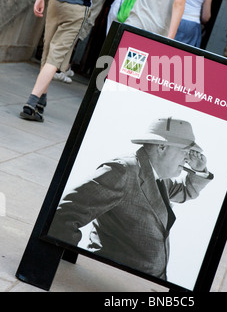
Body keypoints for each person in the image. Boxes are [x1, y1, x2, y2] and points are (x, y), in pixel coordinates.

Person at [48, 117, 213, 280]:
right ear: (162, 147)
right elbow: (64, 215)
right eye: (184, 152)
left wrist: (199, 170)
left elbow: (186, 192)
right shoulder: (123, 171)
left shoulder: (160, 178)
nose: (187, 159)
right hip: (109, 279)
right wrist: (66, 265)